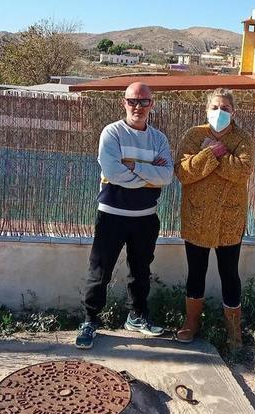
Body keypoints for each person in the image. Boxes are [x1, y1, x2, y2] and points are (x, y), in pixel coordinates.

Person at [76, 82, 174, 350]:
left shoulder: (159, 139)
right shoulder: (112, 133)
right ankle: (90, 320)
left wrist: (133, 166)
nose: (138, 107)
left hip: (146, 218)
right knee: (100, 271)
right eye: (133, 101)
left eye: (144, 102)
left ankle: (137, 316)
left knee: (140, 271)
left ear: (152, 105)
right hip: (112, 216)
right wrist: (148, 172)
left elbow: (166, 176)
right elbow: (113, 172)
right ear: (124, 103)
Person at [174, 87, 254, 352]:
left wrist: (216, 153)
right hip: (197, 216)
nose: (220, 112)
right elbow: (184, 173)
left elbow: (243, 172)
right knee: (195, 273)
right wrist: (209, 153)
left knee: (229, 275)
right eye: (215, 107)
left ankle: (234, 330)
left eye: (226, 108)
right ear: (206, 109)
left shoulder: (243, 138)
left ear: (234, 112)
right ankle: (191, 322)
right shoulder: (193, 135)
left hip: (228, 220)